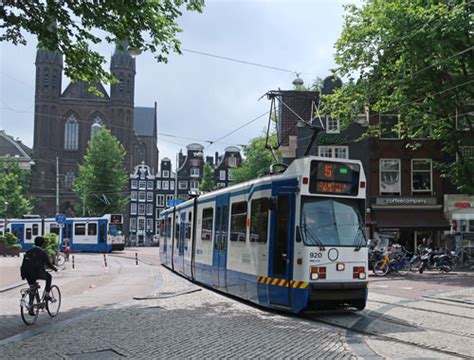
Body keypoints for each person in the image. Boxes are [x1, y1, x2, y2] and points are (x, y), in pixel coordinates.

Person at [20, 236, 58, 306]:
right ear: (43, 244)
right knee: (49, 277)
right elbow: (49, 264)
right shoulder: (42, 252)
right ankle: (47, 295)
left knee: (32, 287)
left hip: (27, 273)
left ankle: (31, 305)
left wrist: (22, 275)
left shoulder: (28, 252)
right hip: (38, 273)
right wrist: (55, 269)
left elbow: (23, 264)